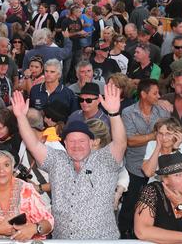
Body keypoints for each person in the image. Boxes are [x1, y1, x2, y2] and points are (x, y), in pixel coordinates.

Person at [14, 83, 127, 239]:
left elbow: (120, 143)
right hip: (63, 239)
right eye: (72, 141)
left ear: (91, 142)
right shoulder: (57, 160)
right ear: (65, 144)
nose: (76, 146)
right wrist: (20, 117)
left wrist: (114, 114)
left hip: (101, 239)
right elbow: (32, 144)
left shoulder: (105, 160)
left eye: (82, 141)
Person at [0, 145, 54, 240]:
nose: (1, 170)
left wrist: (35, 228)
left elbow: (48, 222)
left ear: (13, 168)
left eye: (6, 165)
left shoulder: (26, 189)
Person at [119, 78, 170, 237]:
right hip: (134, 165)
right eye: (155, 93)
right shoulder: (128, 112)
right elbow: (130, 141)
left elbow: (168, 136)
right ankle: (125, 232)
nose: (158, 96)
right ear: (143, 94)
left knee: (156, 202)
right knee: (130, 202)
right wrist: (155, 135)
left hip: (157, 166)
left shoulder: (162, 112)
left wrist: (149, 137)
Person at [142, 118, 182, 182]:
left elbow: (179, 175)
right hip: (155, 185)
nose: (164, 138)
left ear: (178, 134)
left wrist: (175, 150)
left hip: (177, 186)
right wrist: (158, 147)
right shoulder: (152, 145)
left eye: (168, 134)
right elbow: (148, 173)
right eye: (160, 133)